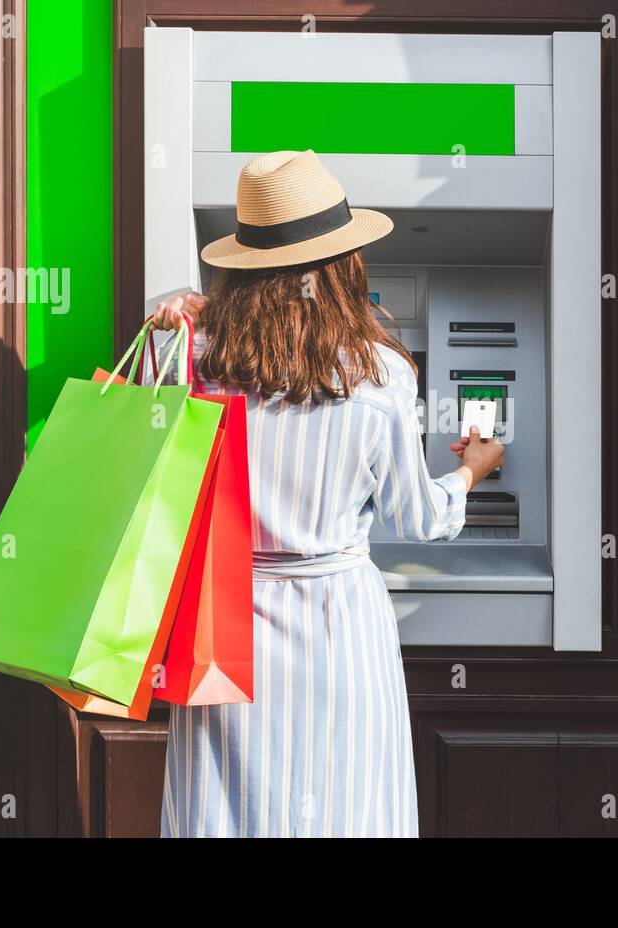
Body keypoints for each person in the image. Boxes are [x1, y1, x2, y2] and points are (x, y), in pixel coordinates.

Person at [151, 150, 503, 837]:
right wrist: (473, 471)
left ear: (243, 267)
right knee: (347, 804)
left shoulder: (193, 361)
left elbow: (148, 474)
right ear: (342, 265)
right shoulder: (379, 376)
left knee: (225, 809)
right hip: (339, 628)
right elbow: (418, 520)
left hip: (223, 625)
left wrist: (170, 324)